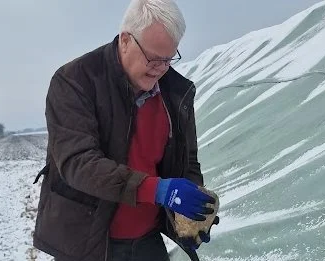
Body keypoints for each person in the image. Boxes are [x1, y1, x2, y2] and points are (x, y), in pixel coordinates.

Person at [33, 0, 219, 260]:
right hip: (88, 243)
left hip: (146, 239)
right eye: (154, 58)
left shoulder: (176, 92)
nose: (161, 69)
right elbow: (78, 162)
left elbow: (186, 161)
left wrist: (191, 212)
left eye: (169, 58)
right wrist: (157, 190)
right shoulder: (75, 81)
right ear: (125, 40)